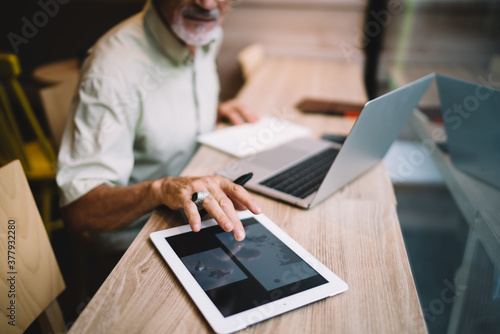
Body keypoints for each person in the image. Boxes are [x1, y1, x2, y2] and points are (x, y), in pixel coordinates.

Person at [56, 0, 262, 249]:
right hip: (137, 240)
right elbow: (78, 210)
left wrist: (213, 109)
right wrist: (159, 190)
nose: (207, 4)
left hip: (198, 213)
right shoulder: (111, 70)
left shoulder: (204, 30)